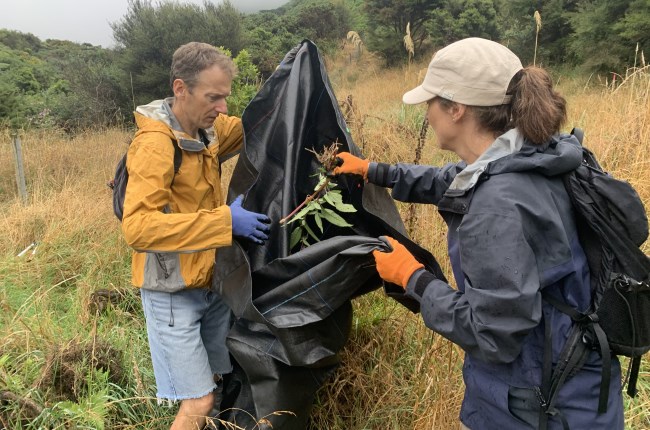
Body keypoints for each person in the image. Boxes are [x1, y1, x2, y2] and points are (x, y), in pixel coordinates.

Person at [333, 38, 624, 429]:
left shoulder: (495, 207)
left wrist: (412, 278)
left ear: (456, 109)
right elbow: (449, 180)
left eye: (430, 102)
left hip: (538, 405)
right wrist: (373, 170)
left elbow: (492, 334)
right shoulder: (532, 155)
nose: (426, 113)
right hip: (580, 382)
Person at [121, 42, 271, 430]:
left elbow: (256, 124)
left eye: (226, 97)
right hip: (173, 294)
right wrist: (224, 223)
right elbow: (137, 227)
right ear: (181, 89)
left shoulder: (209, 129)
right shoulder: (155, 145)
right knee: (199, 402)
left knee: (215, 385)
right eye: (213, 97)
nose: (222, 107)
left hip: (211, 284)